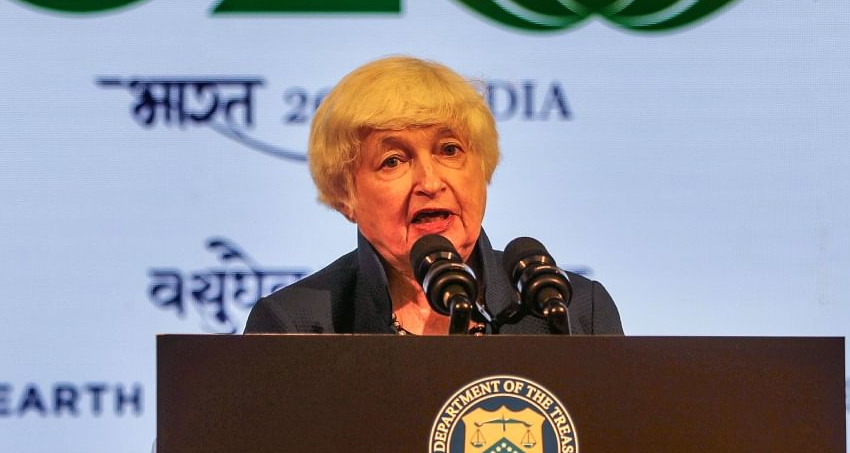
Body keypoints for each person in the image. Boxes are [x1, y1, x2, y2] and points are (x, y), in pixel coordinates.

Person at [245, 56, 622, 335]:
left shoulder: (573, 309)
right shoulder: (295, 325)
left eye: (450, 150)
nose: (430, 181)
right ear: (346, 197)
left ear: (483, 168)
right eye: (393, 160)